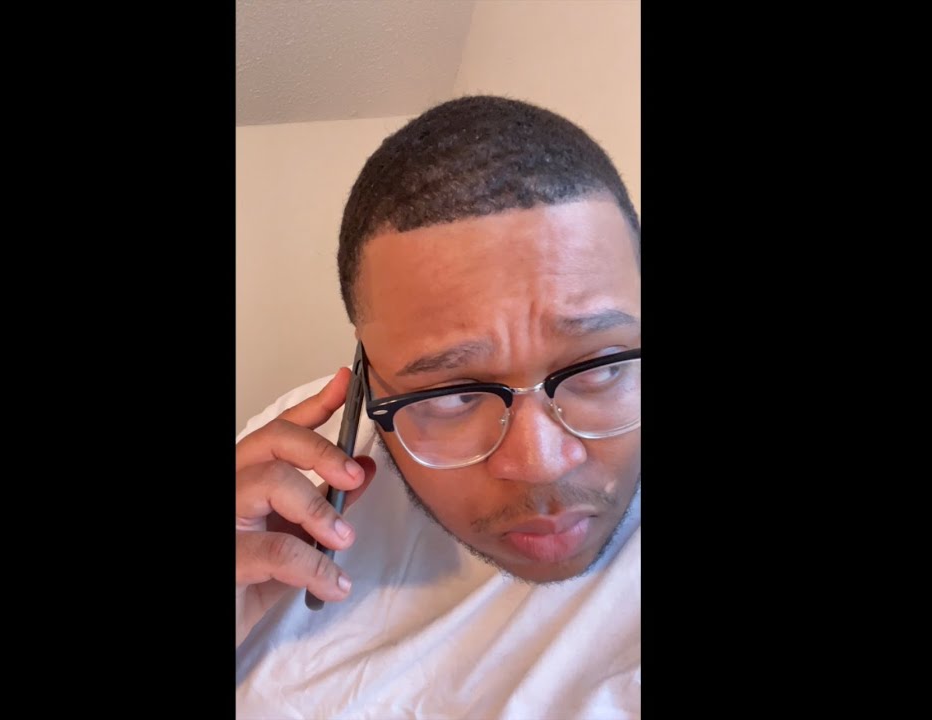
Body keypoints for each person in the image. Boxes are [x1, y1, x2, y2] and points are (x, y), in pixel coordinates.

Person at [235, 95, 642, 718]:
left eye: (601, 367)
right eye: (454, 395)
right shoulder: (282, 475)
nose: (540, 463)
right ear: (366, 379)